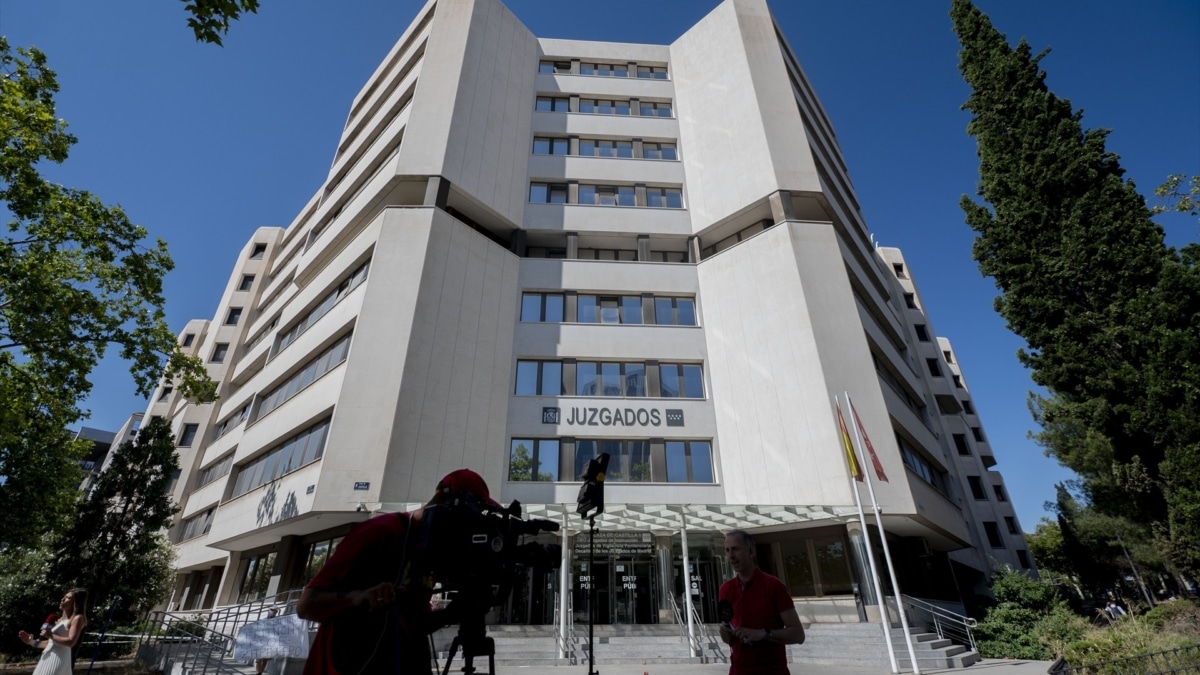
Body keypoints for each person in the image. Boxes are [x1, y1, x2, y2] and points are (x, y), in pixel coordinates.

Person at [296, 469, 500, 675]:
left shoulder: (430, 553)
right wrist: (358, 598)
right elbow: (306, 604)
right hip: (346, 665)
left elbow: (413, 624)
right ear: (443, 499)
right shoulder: (381, 531)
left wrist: (452, 613)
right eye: (469, 515)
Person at [718, 531, 805, 675]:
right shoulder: (725, 590)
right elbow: (729, 637)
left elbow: (798, 635)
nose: (731, 556)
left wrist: (764, 634)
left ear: (750, 551)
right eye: (727, 551)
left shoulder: (774, 586)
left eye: (735, 549)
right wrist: (725, 633)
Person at [18, 588, 88, 675]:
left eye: (68, 598)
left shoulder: (78, 618)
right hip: (47, 657)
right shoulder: (61, 620)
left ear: (76, 602)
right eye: (64, 597)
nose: (62, 599)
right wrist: (31, 642)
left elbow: (71, 642)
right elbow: (51, 642)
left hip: (59, 658)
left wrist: (51, 635)